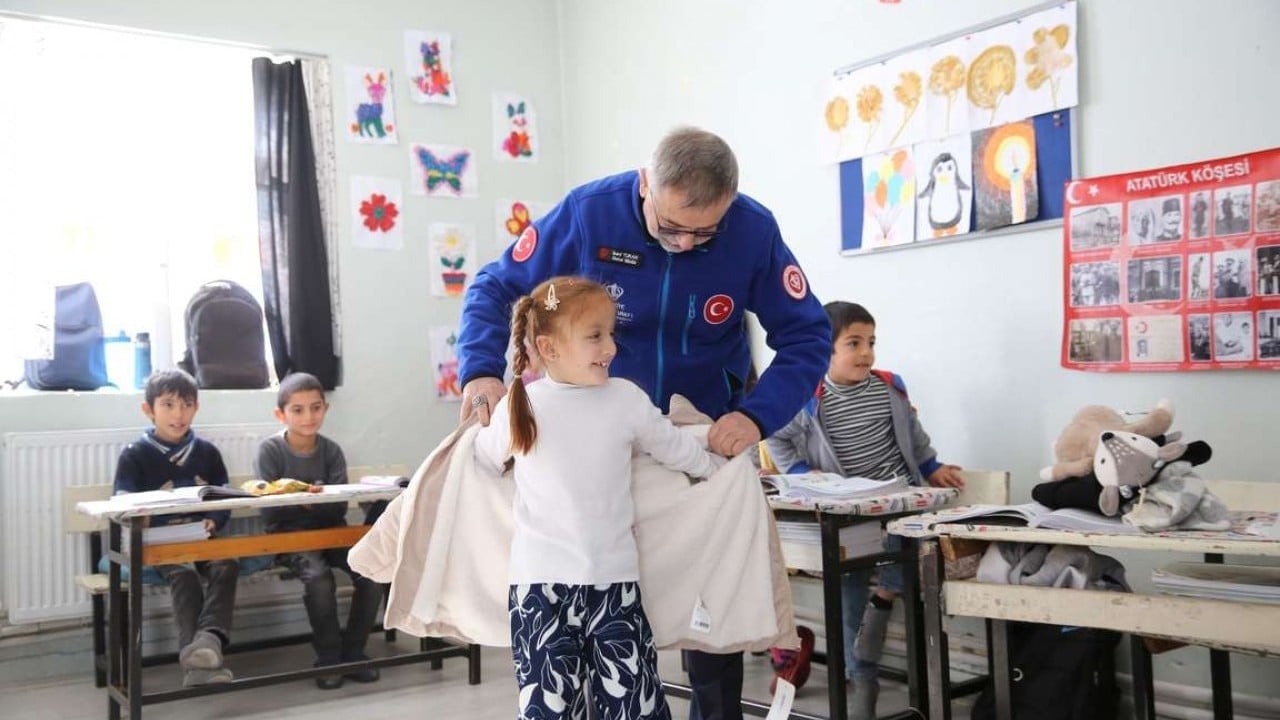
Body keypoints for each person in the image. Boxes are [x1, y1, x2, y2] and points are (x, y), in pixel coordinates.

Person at [456, 126, 829, 719]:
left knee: (711, 598)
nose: (685, 243)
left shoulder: (753, 230)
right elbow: (496, 287)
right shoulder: (588, 214)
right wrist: (480, 370)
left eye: (704, 232)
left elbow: (809, 336)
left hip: (697, 430)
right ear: (644, 184)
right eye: (671, 226)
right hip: (595, 438)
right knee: (601, 602)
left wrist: (755, 417)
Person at [473, 277, 724, 720]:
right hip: (539, 591)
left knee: (635, 708)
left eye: (611, 333)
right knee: (548, 712)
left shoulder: (626, 400)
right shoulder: (523, 404)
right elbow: (484, 460)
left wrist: (720, 473)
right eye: (595, 336)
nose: (609, 347)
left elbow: (675, 448)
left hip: (614, 586)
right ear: (548, 348)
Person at [764, 302, 964, 720]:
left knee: (909, 554)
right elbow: (778, 441)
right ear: (825, 350)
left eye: (870, 342)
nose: (866, 353)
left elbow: (914, 435)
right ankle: (862, 687)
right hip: (851, 518)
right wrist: (806, 475)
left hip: (900, 506)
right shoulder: (809, 398)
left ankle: (886, 596)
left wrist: (932, 468)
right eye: (853, 343)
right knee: (849, 599)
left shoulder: (890, 386)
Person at [254, 372, 383, 689]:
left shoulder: (332, 451)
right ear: (280, 414)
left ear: (325, 408)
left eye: (315, 408)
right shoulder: (269, 451)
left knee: (373, 573)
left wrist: (310, 501)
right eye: (297, 410)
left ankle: (353, 651)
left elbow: (338, 506)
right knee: (319, 579)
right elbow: (270, 507)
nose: (308, 416)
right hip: (289, 538)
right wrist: (310, 500)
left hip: (333, 533)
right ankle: (328, 656)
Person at [112, 369, 239, 687]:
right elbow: (122, 501)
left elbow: (223, 496)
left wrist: (215, 520)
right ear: (149, 410)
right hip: (158, 543)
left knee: (227, 562)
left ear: (196, 407)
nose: (178, 414)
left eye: (186, 405)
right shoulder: (134, 455)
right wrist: (139, 518)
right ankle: (197, 664)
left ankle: (208, 640)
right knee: (183, 575)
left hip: (202, 535)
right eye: (168, 405)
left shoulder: (207, 453)